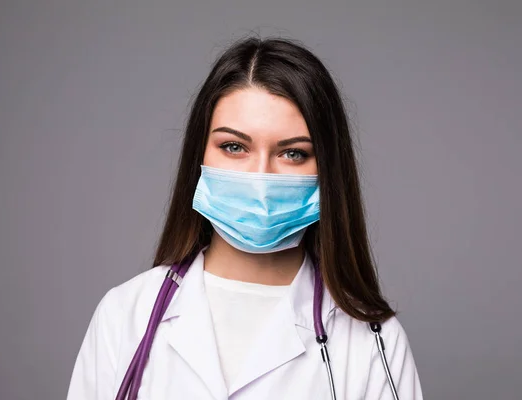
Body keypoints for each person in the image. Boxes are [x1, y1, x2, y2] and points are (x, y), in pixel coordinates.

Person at [67, 36, 423, 400]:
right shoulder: (126, 315)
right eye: (234, 147)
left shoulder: (374, 339)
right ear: (199, 157)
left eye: (293, 153)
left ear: (329, 170)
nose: (261, 178)